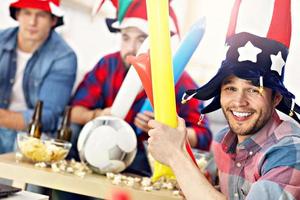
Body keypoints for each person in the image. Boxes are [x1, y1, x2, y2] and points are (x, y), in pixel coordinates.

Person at [147, 0, 300, 199]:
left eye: (254, 90)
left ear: (276, 98)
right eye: (230, 88)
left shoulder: (290, 152)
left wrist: (175, 156)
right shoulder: (222, 142)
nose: (239, 101)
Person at [70, 0, 212, 177]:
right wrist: (98, 115)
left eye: (142, 39)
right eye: (125, 38)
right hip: (100, 151)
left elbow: (204, 137)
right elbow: (74, 112)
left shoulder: (182, 82)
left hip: (148, 164)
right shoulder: (108, 65)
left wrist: (168, 127)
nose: (131, 48)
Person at [0, 0, 77, 153]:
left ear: (53, 20)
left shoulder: (64, 57)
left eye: (41, 15)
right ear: (18, 15)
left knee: (30, 145)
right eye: (27, 13)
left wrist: (3, 119)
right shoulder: (1, 40)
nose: (32, 22)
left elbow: (47, 117)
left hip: (31, 133)